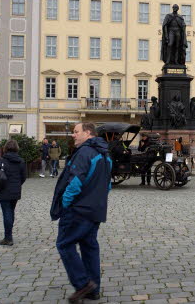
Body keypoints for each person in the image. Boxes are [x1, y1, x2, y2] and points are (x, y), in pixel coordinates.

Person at [50, 123, 112, 303]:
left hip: (78, 210)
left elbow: (74, 183)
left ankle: (83, 283)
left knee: (64, 244)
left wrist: (65, 204)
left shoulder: (84, 152)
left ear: (88, 133)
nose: (73, 135)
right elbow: (107, 185)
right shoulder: (104, 154)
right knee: (89, 246)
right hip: (95, 210)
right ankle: (94, 289)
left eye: (76, 132)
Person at [0, 140, 26, 246]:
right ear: (16, 148)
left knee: (7, 212)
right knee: (11, 212)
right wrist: (17, 185)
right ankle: (8, 236)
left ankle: (8, 238)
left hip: (3, 190)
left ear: (5, 148)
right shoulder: (21, 161)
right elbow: (23, 177)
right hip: (15, 191)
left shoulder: (0, 161)